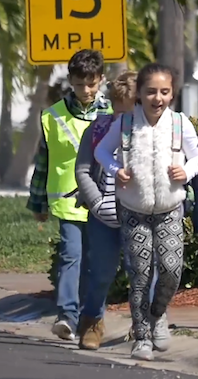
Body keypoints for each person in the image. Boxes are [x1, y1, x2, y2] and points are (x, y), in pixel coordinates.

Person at [94, 63, 198, 361]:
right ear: (139, 94)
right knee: (140, 274)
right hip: (133, 210)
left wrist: (187, 172)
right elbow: (101, 151)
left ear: (172, 94)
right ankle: (141, 336)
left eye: (164, 92)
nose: (157, 98)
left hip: (169, 210)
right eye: (151, 91)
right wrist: (116, 170)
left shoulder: (180, 124)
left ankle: (158, 314)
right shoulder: (126, 124)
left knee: (170, 269)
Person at [27, 49, 112, 341]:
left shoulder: (113, 115)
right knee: (70, 255)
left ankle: (92, 317)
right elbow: (43, 162)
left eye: (91, 83)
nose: (85, 90)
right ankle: (67, 315)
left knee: (96, 260)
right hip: (65, 201)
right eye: (79, 84)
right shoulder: (52, 117)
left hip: (102, 201)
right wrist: (38, 202)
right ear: (70, 82)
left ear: (101, 79)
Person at [74, 71, 138, 350]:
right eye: (119, 111)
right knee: (101, 272)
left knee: (142, 270)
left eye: (131, 111)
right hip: (103, 214)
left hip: (140, 213)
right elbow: (83, 170)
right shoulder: (98, 130)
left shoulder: (153, 134)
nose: (124, 119)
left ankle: (143, 324)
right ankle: (92, 321)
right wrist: (96, 202)